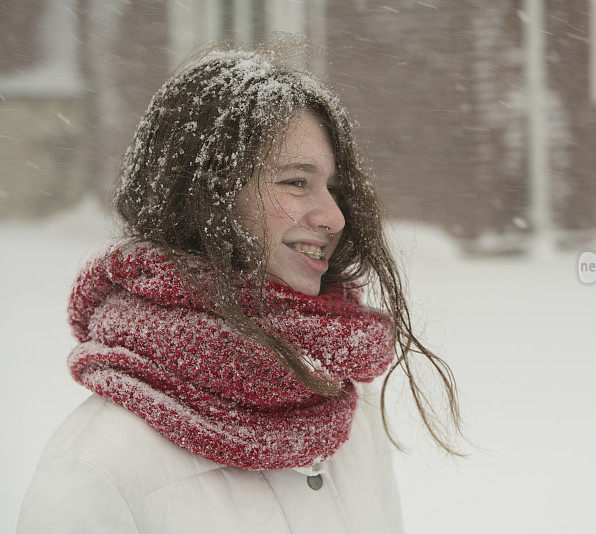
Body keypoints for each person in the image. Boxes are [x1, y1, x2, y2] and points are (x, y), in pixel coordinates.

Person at [17, 36, 464, 534]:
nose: (334, 217)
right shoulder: (98, 471)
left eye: (334, 189)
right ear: (205, 195)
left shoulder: (348, 413)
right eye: (297, 182)